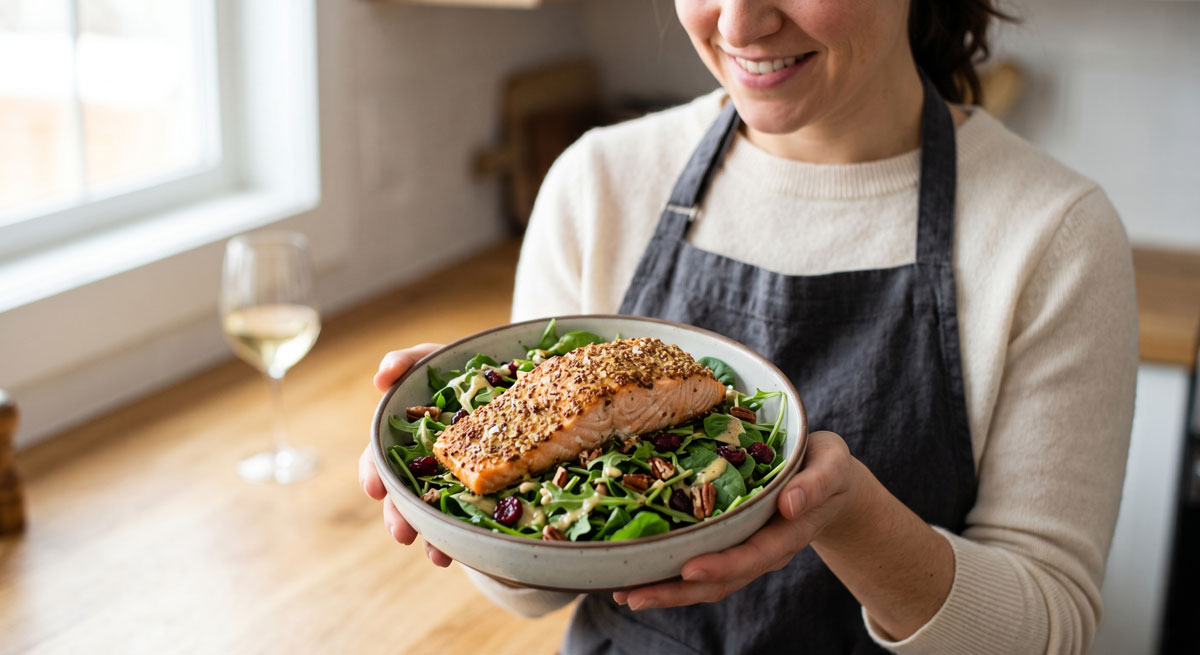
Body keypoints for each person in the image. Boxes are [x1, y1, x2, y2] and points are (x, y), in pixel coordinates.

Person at [358, 1, 1138, 653]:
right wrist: (469, 486)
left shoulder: (1052, 235)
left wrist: (852, 522)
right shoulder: (599, 181)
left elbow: (1052, 628)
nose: (739, 21)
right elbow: (527, 597)